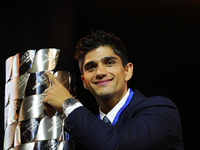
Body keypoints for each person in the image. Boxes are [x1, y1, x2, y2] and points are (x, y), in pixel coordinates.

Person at [43, 30, 184, 149]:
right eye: (91, 67)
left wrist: (68, 104)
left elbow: (113, 144)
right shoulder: (80, 131)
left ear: (127, 71)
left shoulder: (162, 111)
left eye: (109, 63)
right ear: (84, 82)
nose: (100, 72)